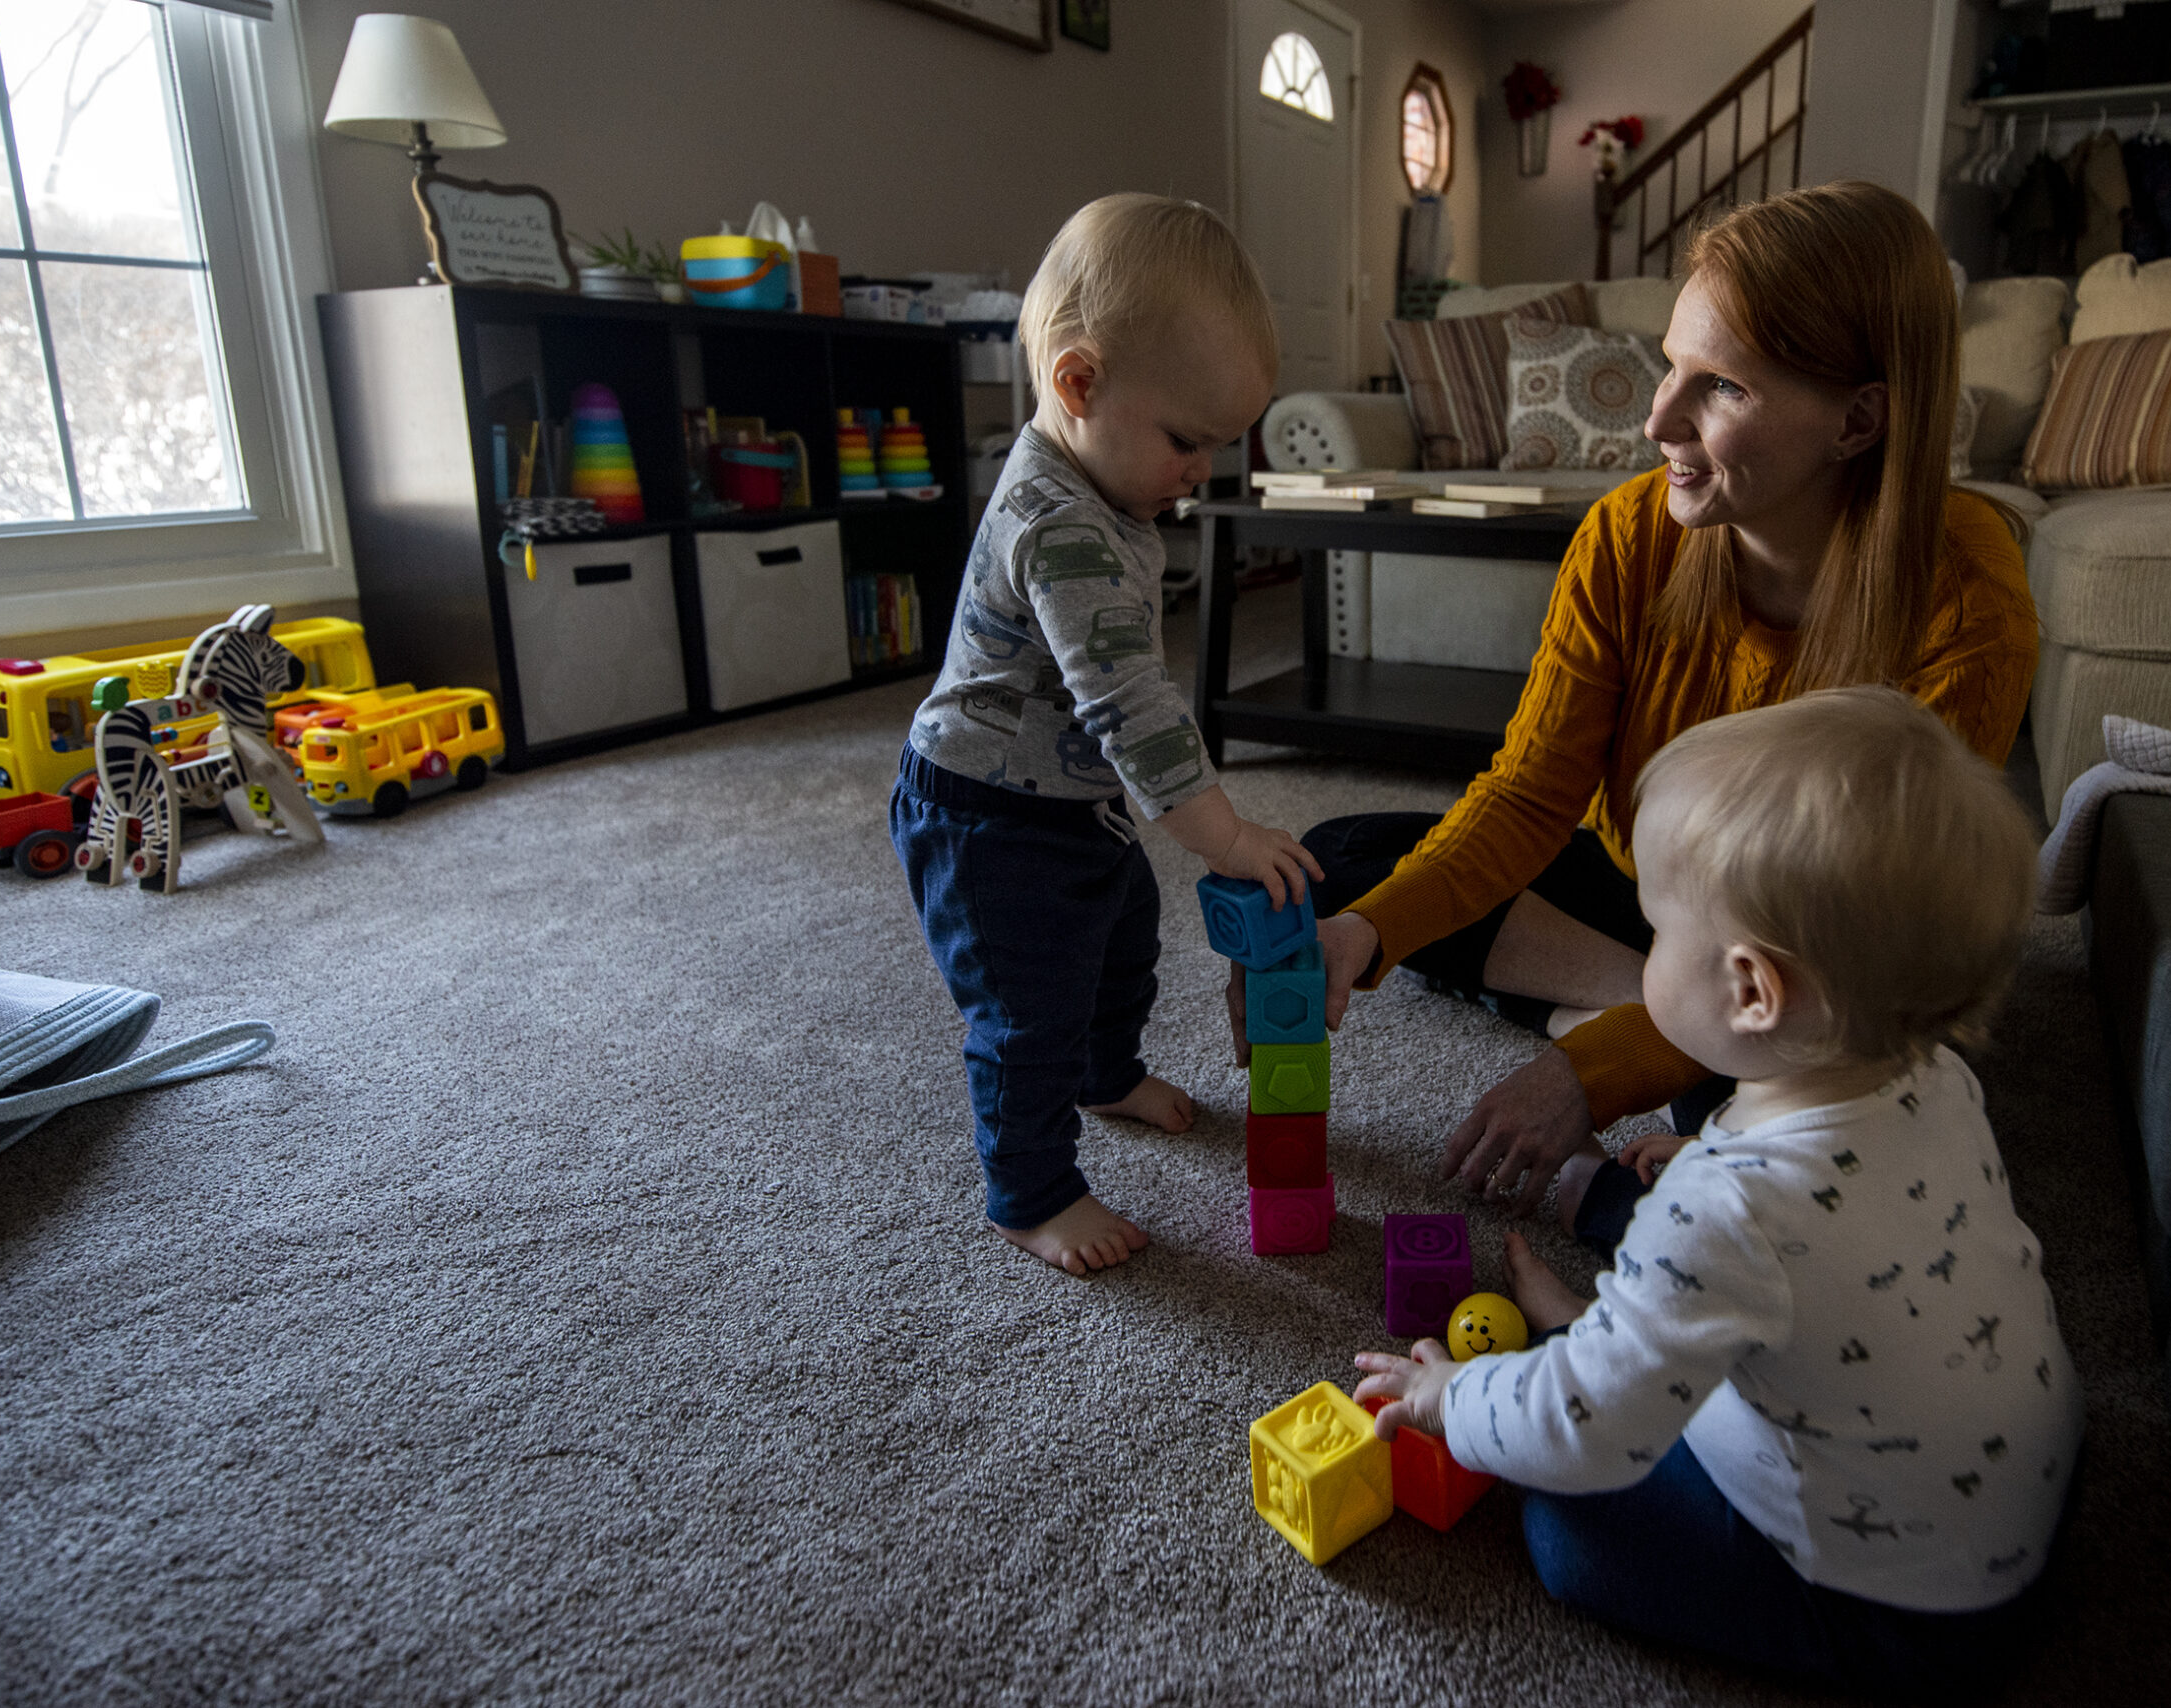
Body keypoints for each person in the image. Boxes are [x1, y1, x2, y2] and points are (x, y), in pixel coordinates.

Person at [1233, 182, 2038, 1232]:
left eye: (1721, 388)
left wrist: (1588, 1074)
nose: (1657, 419)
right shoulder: (1628, 534)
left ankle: (1674, 1025)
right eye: (1670, 364)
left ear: (1857, 420)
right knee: (1343, 862)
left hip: (1809, 955)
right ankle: (1663, 1008)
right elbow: (1530, 795)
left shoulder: (1965, 600)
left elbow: (1866, 946)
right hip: (1646, 889)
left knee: (1790, 1125)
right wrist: (1361, 935)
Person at [1355, 688, 2082, 1696]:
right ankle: (1625, 1331)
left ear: (1750, 989)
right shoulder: (1934, 1079)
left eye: (1655, 931)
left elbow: (1585, 1431)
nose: (1645, 951)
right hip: (2009, 1501)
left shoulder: (1723, 1206)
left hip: (1884, 1604)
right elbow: (1841, 1235)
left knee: (1565, 1521)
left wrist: (1452, 1396)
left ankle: (1606, 1345)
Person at [892, 194, 1322, 1277]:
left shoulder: (1106, 490)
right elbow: (1128, 700)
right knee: (1025, 1006)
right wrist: (1220, 832)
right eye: (1187, 441)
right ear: (1077, 385)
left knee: (1123, 933)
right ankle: (1030, 1193)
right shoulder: (1058, 525)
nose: (1200, 473)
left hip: (1066, 797)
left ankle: (1106, 1069)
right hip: (985, 814)